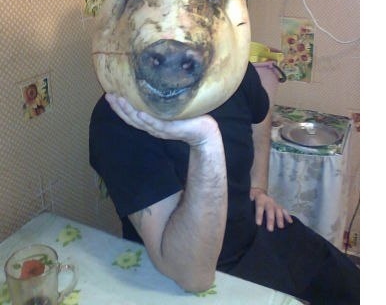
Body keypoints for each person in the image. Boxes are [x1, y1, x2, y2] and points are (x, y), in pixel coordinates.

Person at [89, 61, 360, 304]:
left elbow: (260, 120)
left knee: (352, 287)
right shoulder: (119, 117)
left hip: (253, 229)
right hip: (188, 272)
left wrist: (258, 187)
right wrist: (205, 141)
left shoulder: (232, 70)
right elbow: (193, 276)